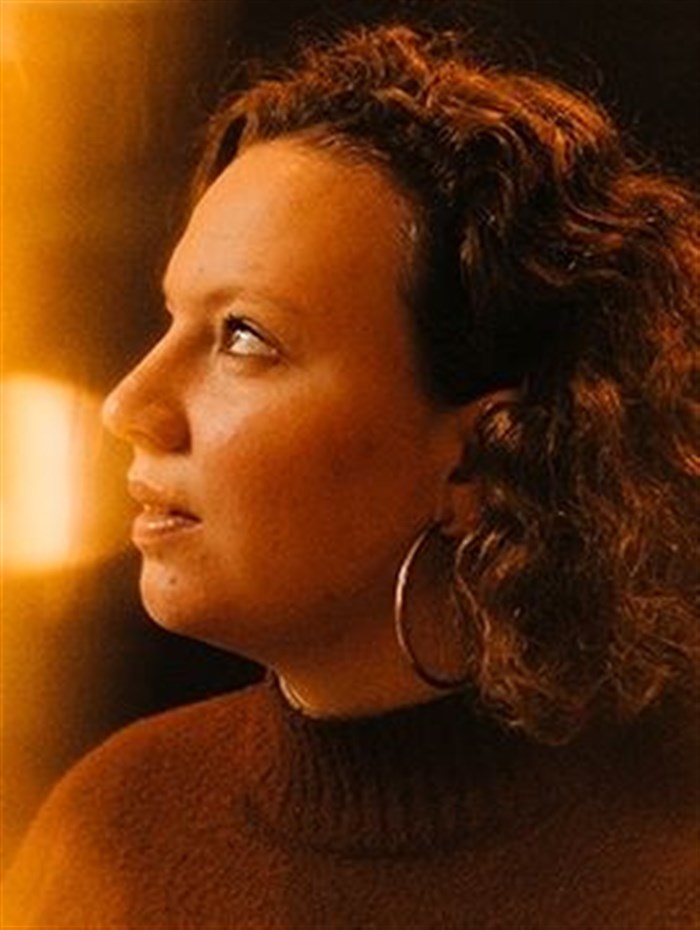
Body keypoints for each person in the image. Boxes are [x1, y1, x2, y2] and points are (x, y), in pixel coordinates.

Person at [4, 20, 699, 930]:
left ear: (481, 455)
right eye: (172, 320)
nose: (130, 404)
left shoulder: (670, 873)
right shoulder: (108, 821)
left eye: (244, 337)